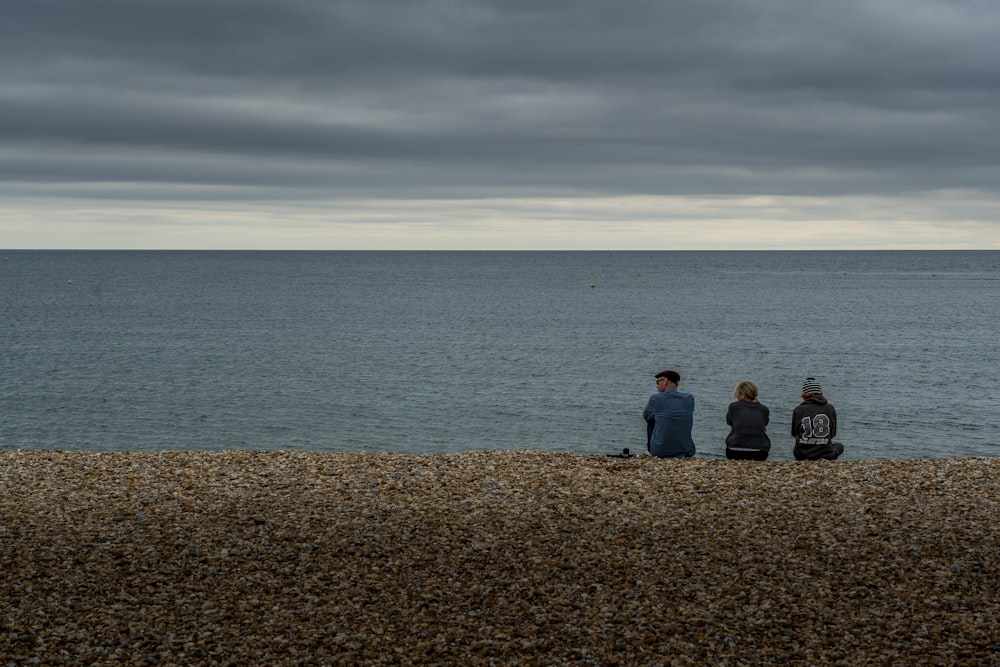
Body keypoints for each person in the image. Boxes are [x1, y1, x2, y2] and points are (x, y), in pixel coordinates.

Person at [642, 370, 696, 458]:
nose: (656, 386)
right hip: (687, 451)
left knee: (651, 421)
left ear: (665, 381)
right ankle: (680, 447)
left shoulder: (655, 398)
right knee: (680, 421)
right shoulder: (689, 398)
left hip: (659, 452)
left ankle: (651, 450)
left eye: (657, 382)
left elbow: (646, 416)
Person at [791, 377, 844, 460]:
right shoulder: (830, 408)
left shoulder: (798, 410)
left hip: (801, 454)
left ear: (804, 395)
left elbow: (794, 433)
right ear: (820, 393)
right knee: (839, 446)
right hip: (826, 454)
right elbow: (832, 433)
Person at [725, 380, 771, 461]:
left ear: (743, 395)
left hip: (734, 451)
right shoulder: (764, 409)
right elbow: (763, 426)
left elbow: (730, 423)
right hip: (759, 452)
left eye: (737, 394)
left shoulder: (733, 407)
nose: (736, 397)